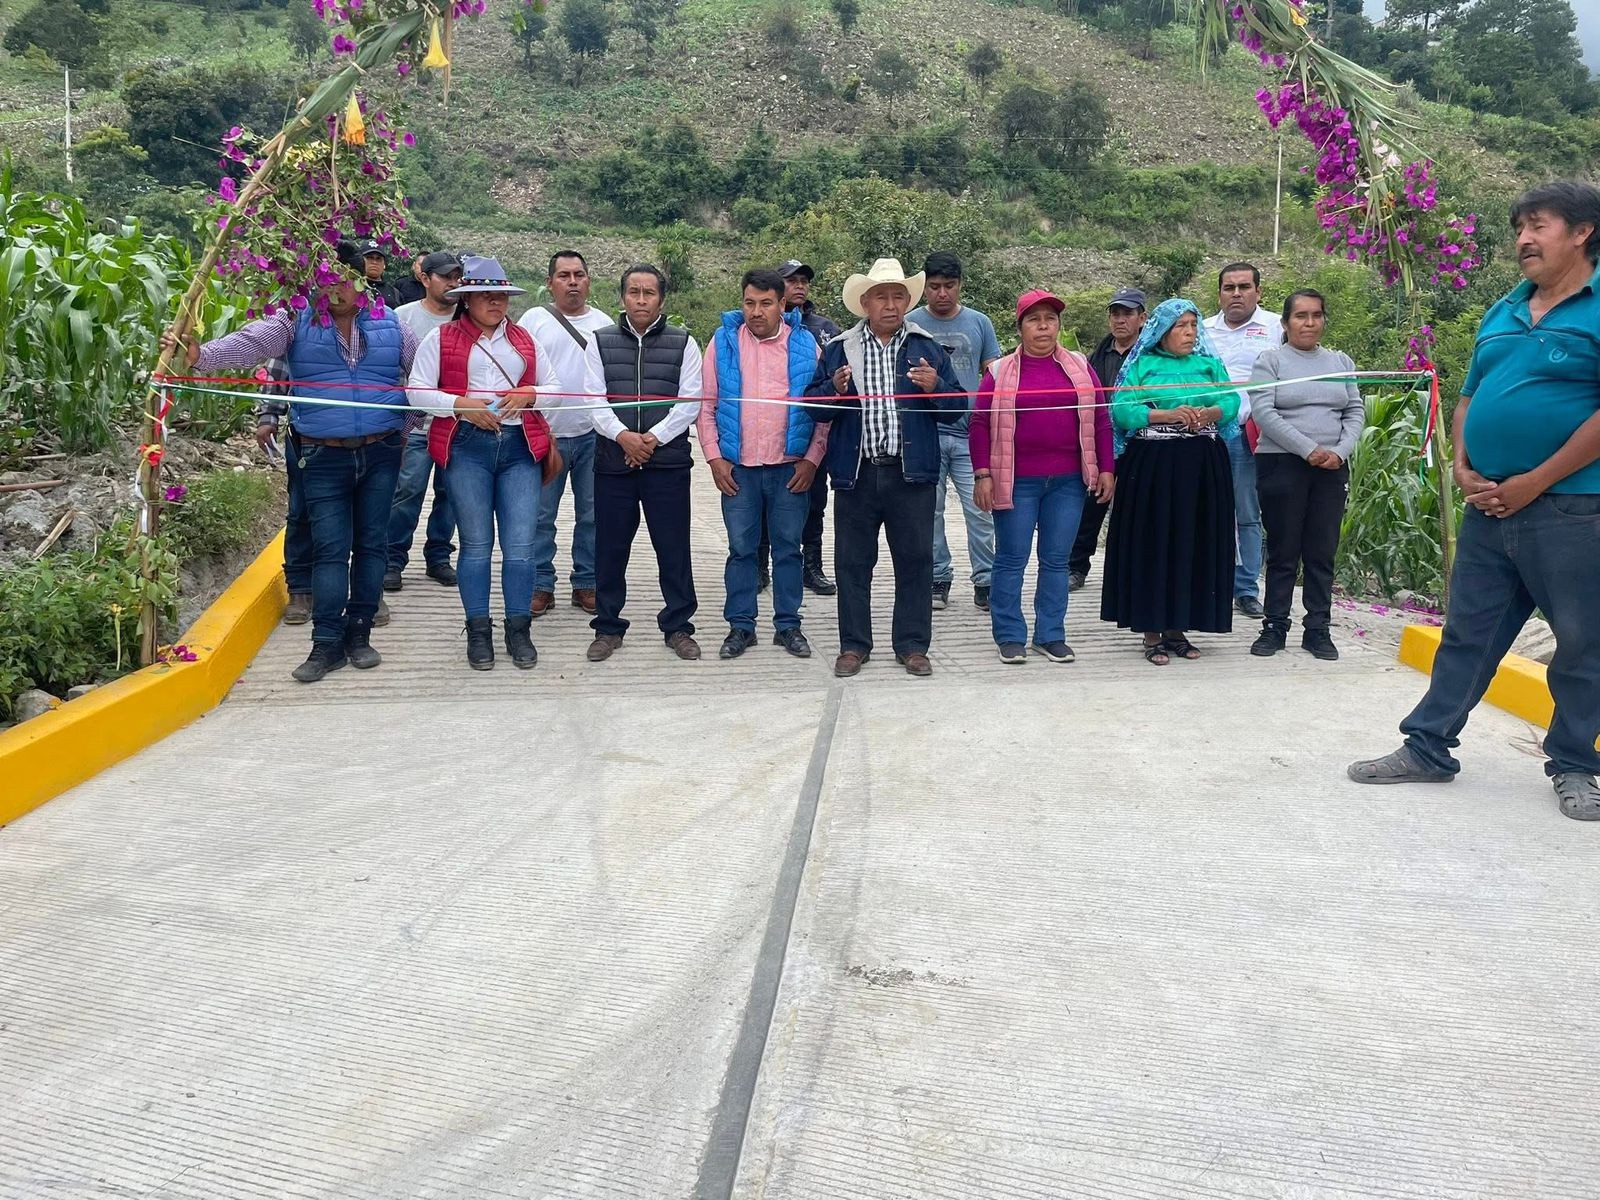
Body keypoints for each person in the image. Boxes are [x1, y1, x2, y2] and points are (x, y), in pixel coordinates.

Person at [1350, 180, 1600, 821]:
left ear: (1582, 232)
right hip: (1488, 506)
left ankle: (1575, 764)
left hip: (1571, 509)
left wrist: (1536, 480)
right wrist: (1463, 466)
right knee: (1467, 634)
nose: (1522, 239)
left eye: (1538, 225)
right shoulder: (1503, 310)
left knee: (1582, 642)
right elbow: (1469, 397)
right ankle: (1428, 748)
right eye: (1518, 227)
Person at [164, 239, 417, 683]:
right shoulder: (295, 319)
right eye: (323, 281)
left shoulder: (392, 324)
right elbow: (250, 343)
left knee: (373, 546)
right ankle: (326, 644)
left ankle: (359, 637)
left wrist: (403, 427)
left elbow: (423, 378)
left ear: (360, 281)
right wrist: (200, 355)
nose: (333, 290)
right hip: (321, 454)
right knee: (331, 549)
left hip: (381, 453)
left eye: (341, 279)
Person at [804, 258, 964, 678]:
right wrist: (833, 390)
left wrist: (936, 389)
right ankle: (854, 646)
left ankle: (912, 646)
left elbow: (957, 409)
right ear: (865, 303)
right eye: (881, 297)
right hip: (856, 474)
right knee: (853, 564)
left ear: (908, 301)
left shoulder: (927, 348)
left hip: (912, 475)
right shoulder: (841, 349)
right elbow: (811, 407)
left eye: (898, 296)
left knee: (915, 562)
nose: (890, 305)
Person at [408, 257, 561, 671]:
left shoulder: (525, 340)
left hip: (519, 449)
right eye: (487, 295)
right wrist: (459, 405)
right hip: (466, 447)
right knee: (475, 545)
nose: (497, 302)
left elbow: (557, 390)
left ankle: (519, 628)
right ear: (467, 299)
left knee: (520, 547)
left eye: (503, 296)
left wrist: (530, 394)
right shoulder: (440, 339)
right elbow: (417, 393)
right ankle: (478, 630)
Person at [972, 290, 1115, 664]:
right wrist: (982, 474)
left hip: (1068, 481)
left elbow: (1101, 418)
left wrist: (1106, 468)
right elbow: (979, 423)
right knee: (1011, 559)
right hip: (1016, 479)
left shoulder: (1081, 366)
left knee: (1056, 560)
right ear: (1019, 328)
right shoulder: (1000, 372)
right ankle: (1009, 635)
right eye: (1034, 319)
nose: (1043, 326)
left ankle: (1050, 634)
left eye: (1050, 319)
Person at [1101, 298, 1239, 665]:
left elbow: (1231, 401)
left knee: (1191, 541)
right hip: (1153, 467)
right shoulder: (1143, 365)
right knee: (1154, 540)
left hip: (1202, 466)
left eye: (1194, 325)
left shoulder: (1209, 365)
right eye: (1182, 326)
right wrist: (1167, 414)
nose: (1191, 332)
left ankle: (1178, 628)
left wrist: (1209, 411)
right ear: (1161, 331)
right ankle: (1150, 632)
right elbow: (1123, 411)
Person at [699, 268, 827, 661]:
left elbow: (823, 410)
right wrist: (714, 457)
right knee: (741, 550)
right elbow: (705, 406)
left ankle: (788, 626)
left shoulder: (806, 345)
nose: (757, 311)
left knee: (788, 549)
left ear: (782, 305)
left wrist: (811, 459)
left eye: (766, 303)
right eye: (749, 302)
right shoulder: (723, 343)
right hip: (739, 469)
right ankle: (741, 626)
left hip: (790, 469)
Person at [586, 264, 704, 663]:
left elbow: (689, 402)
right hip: (613, 463)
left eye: (648, 293)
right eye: (633, 292)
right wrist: (623, 437)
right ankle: (607, 627)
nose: (640, 300)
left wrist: (651, 440)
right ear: (622, 298)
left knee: (673, 548)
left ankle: (678, 626)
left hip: (667, 464)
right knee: (610, 548)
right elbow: (592, 401)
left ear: (662, 299)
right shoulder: (599, 342)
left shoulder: (684, 342)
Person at [1247, 288, 1365, 661]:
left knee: (1321, 549)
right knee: (1284, 549)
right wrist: (1307, 449)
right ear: (1285, 323)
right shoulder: (1271, 361)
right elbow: (1264, 412)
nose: (1309, 323)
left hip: (1331, 466)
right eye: (1300, 316)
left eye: (1316, 315)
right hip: (1282, 463)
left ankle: (1318, 629)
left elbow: (1355, 410)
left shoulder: (1340, 361)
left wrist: (1339, 452)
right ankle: (1275, 626)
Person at [907, 251, 1003, 613]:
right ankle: (938, 577)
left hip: (970, 433)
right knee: (928, 512)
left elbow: (993, 372)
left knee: (979, 509)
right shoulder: (910, 323)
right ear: (924, 288)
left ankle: (986, 579)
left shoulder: (980, 323)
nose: (942, 293)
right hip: (925, 432)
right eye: (934, 286)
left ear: (960, 285)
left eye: (949, 286)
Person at [519, 250, 610, 618]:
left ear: (589, 281)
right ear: (549, 282)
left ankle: (586, 582)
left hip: (593, 434)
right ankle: (541, 584)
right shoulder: (533, 320)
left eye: (579, 275)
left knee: (592, 514)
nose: (572, 282)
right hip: (546, 434)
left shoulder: (605, 325)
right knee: (540, 516)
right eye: (563, 275)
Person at [1204, 262, 1282, 618]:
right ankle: (1208, 583)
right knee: (1205, 511)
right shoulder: (1202, 330)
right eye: (1229, 288)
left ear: (1258, 291)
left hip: (1251, 434)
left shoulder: (1276, 327)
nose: (1236, 294)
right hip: (1204, 434)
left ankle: (1246, 588)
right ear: (1219, 293)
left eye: (1244, 287)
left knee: (1247, 513)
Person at [385, 251, 463, 592]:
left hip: (458, 423)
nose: (452, 283)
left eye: (457, 276)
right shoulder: (401, 317)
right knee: (407, 490)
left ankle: (439, 557)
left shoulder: (466, 318)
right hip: (413, 422)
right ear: (425, 278)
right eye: (445, 276)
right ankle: (392, 558)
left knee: (451, 494)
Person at [1069, 287, 1146, 592]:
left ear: (1142, 318)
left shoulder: (1150, 355)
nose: (1119, 319)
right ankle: (1076, 567)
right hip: (1100, 441)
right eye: (1115, 313)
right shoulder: (1097, 356)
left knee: (1132, 512)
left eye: (1127, 313)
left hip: (1140, 442)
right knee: (1091, 507)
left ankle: (1126, 574)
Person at [773, 257, 841, 596]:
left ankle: (811, 565)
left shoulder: (826, 328)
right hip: (769, 430)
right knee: (763, 501)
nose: (799, 285)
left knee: (814, 501)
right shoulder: (761, 322)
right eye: (791, 280)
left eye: (803, 280)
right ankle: (760, 563)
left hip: (814, 430)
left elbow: (838, 378)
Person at [358, 240, 404, 310]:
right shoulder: (353, 288)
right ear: (360, 260)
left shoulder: (395, 293)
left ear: (384, 265)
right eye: (369, 257)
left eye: (378, 259)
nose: (374, 262)